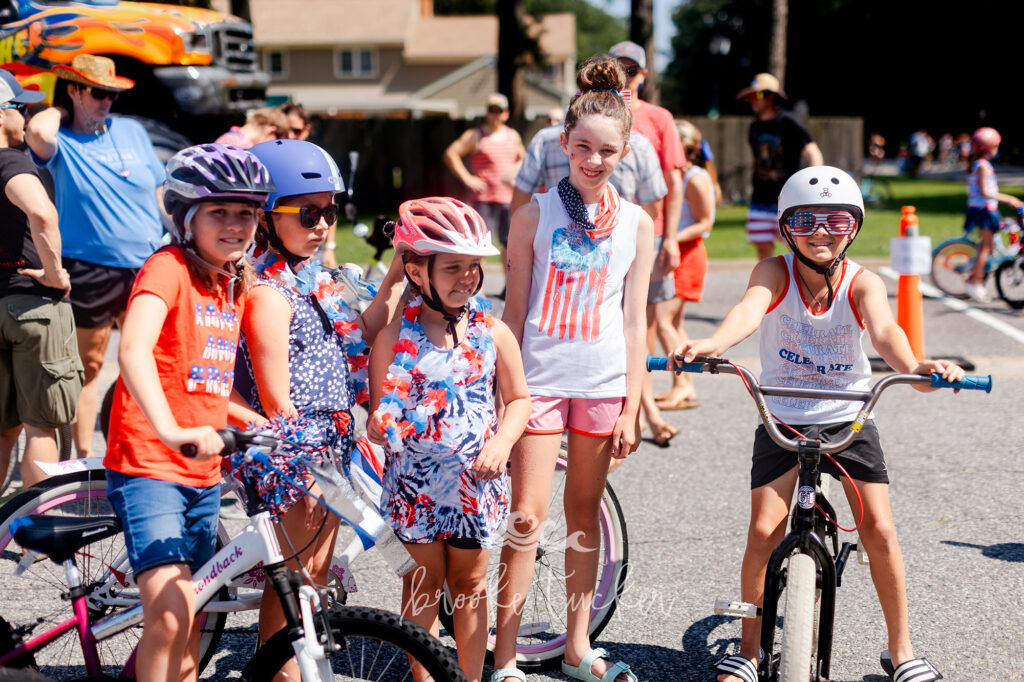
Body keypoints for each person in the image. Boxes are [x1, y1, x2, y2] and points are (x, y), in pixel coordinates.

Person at [673, 166, 963, 682]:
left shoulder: (862, 280)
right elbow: (747, 311)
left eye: (836, 220)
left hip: (847, 419)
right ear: (787, 227)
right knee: (764, 530)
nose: (821, 231)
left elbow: (886, 330)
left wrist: (918, 369)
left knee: (880, 529)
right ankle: (750, 648)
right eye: (806, 220)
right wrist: (712, 345)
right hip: (783, 413)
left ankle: (902, 651)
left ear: (852, 227)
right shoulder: (773, 272)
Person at [496, 55, 654, 682]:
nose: (592, 160)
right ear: (563, 143)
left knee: (584, 514)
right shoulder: (533, 215)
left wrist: (633, 403)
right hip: (535, 384)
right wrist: (502, 394)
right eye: (581, 146)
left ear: (626, 151)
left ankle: (576, 646)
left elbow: (637, 320)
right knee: (527, 517)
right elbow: (510, 315)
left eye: (606, 150)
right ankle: (505, 656)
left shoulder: (638, 225)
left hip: (602, 385)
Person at [233, 138, 405, 680]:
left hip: (330, 441)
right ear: (266, 216)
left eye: (331, 210)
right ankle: (277, 673)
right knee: (293, 578)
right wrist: (300, 457)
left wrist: (399, 268)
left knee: (312, 571)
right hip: (294, 447)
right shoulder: (267, 293)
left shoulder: (316, 278)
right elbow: (275, 396)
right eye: (308, 212)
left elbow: (363, 335)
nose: (324, 224)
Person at [103, 144, 273, 682]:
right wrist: (172, 430)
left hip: (203, 471)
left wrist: (256, 422)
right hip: (150, 462)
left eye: (245, 213)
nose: (235, 224)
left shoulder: (231, 283)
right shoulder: (167, 268)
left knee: (194, 614)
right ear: (184, 217)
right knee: (173, 610)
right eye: (219, 212)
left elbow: (199, 381)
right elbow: (133, 351)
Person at [367, 198, 531, 682]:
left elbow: (519, 399)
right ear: (418, 272)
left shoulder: (493, 332)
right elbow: (381, 410)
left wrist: (502, 441)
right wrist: (379, 425)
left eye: (474, 267)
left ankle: (468, 678)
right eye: (453, 267)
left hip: (474, 487)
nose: (467, 278)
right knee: (420, 587)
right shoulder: (394, 338)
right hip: (415, 489)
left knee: (471, 584)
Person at [24, 54, 166, 459]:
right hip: (87, 268)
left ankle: (142, 451)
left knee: (151, 363)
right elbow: (36, 130)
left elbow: (158, 192)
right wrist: (63, 105)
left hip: (146, 264)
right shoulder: (59, 137)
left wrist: (182, 237)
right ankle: (86, 460)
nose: (107, 101)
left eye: (112, 94)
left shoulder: (132, 131)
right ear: (74, 90)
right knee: (86, 368)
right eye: (99, 92)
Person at [0, 70, 81, 489]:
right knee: (40, 426)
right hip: (31, 305)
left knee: (2, 429)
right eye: (19, 107)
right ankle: (40, 534)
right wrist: (55, 274)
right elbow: (42, 214)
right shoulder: (11, 161)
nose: (25, 115)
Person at [609, 40, 684, 447]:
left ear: (643, 74)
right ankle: (643, 410)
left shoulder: (658, 118)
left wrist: (670, 236)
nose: (625, 77)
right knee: (620, 324)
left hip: (645, 234)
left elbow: (672, 182)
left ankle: (645, 404)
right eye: (617, 69)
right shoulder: (594, 112)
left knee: (647, 323)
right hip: (603, 238)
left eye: (631, 70)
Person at [654, 120, 715, 412]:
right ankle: (683, 385)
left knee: (664, 322)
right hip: (676, 251)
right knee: (674, 323)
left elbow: (705, 223)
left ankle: (683, 386)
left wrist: (670, 239)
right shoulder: (679, 175)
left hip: (687, 253)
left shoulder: (694, 177)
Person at [737, 72, 823, 260]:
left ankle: (806, 288)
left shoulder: (788, 122)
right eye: (751, 95)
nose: (753, 100)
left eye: (758, 95)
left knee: (799, 248)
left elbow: (813, 152)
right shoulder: (755, 127)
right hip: (760, 199)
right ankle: (771, 288)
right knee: (763, 251)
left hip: (789, 199)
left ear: (771, 97)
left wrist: (815, 188)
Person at [444, 93, 525, 280]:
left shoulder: (513, 135)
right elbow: (451, 153)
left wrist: (518, 182)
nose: (495, 115)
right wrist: (467, 178)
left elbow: (524, 159)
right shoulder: (475, 135)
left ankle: (509, 286)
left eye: (499, 111)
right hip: (484, 200)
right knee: (480, 245)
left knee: (509, 244)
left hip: (509, 199)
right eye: (491, 110)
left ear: (506, 113)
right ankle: (475, 286)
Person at [963, 127, 1023, 303]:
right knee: (987, 248)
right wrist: (1009, 199)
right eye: (995, 146)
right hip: (984, 210)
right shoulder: (982, 166)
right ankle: (975, 282)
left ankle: (975, 276)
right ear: (988, 148)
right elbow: (985, 191)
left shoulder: (979, 164)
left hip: (983, 209)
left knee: (985, 245)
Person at [214, 106, 288, 148]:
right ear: (271, 131)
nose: (272, 147)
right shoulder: (243, 148)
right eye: (275, 142)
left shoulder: (229, 136)